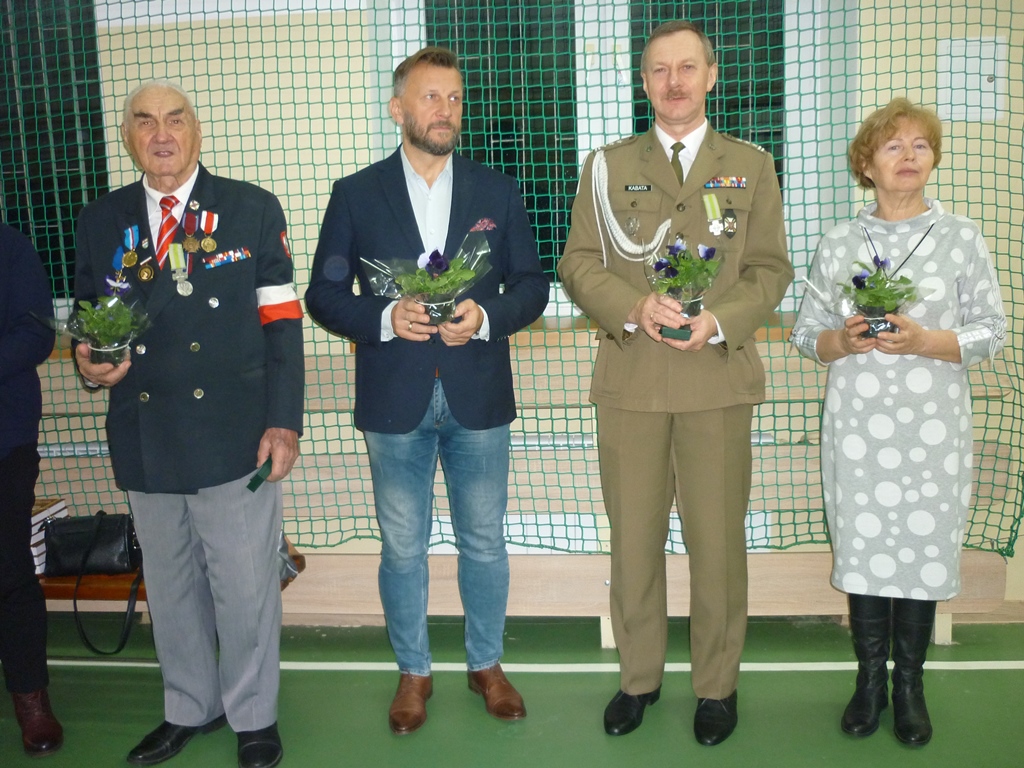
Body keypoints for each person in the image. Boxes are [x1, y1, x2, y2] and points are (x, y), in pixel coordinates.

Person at [558, 21, 793, 745]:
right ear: (644, 80)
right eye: (659, 69)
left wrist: (718, 320)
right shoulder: (606, 165)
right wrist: (632, 304)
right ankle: (639, 679)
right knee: (633, 541)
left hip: (716, 380)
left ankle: (716, 686)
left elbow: (770, 272)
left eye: (688, 67)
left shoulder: (750, 165)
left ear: (713, 75)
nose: (674, 82)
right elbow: (577, 263)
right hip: (632, 381)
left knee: (717, 545)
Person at [306, 46, 548, 735]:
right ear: (398, 108)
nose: (445, 110)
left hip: (478, 395)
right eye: (431, 96)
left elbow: (531, 285)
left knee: (485, 541)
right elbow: (323, 294)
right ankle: (414, 672)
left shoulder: (497, 191)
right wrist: (384, 317)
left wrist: (486, 316)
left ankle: (486, 663)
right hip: (393, 399)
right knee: (402, 546)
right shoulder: (355, 193)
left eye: (454, 98)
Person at [73, 80, 304, 768]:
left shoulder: (250, 209)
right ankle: (189, 708)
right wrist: (92, 365)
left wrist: (283, 423)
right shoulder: (100, 219)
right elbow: (92, 323)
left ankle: (254, 716)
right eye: (145, 122)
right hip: (145, 433)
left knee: (245, 586)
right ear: (129, 137)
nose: (162, 133)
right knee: (170, 589)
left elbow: (282, 325)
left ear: (195, 129)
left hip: (234, 432)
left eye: (175, 119)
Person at [790, 98, 1005, 746]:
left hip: (934, 430)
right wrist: (845, 341)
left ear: (933, 157)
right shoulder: (839, 242)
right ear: (866, 163)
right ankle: (868, 684)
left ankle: (909, 687)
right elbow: (807, 335)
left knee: (919, 551)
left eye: (919, 145)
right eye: (893, 146)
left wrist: (926, 340)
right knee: (864, 551)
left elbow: (992, 331)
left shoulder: (963, 237)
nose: (908, 156)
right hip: (857, 431)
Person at [0, 222, 62, 756]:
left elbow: (36, 332)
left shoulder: (11, 248)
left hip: (4, 437)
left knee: (9, 569)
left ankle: (30, 698)